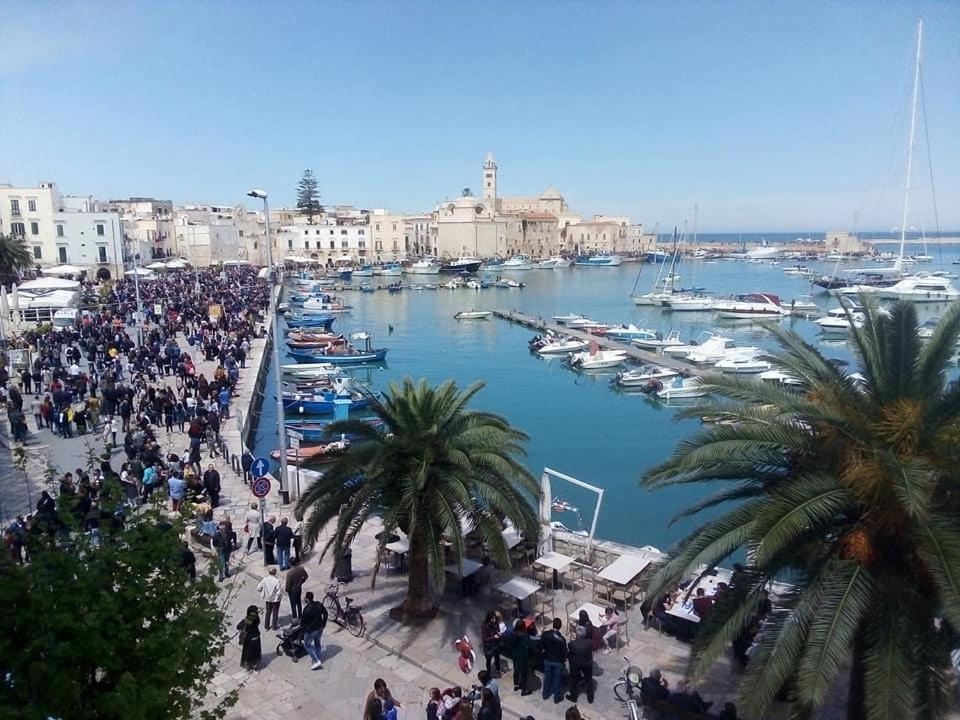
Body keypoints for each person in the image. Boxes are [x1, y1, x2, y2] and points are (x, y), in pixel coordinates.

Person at [540, 617, 568, 704]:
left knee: (547, 678)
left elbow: (541, 646)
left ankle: (545, 694)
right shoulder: (562, 639)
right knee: (557, 680)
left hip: (547, 659)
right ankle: (557, 697)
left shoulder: (546, 635)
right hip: (558, 662)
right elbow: (564, 653)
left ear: (553, 625)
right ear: (560, 626)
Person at [300, 590, 328, 670]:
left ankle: (316, 660)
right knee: (317, 642)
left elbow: (303, 623)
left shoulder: (306, 610)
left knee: (307, 645)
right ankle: (318, 657)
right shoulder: (319, 604)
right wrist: (324, 623)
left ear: (307, 599)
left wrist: (303, 631)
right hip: (320, 627)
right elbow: (325, 613)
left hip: (311, 630)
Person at [567, 624, 594, 704]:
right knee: (589, 680)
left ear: (577, 634)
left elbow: (570, 652)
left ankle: (573, 697)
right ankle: (590, 698)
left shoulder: (572, 644)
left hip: (576, 664)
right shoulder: (589, 642)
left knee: (574, 680)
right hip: (587, 663)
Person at [237, 605, 262, 670]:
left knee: (248, 653)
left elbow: (238, 626)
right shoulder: (257, 619)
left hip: (249, 639)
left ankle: (248, 665)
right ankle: (255, 665)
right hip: (257, 638)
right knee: (255, 653)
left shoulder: (247, 620)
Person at [511, 619, 532, 695]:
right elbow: (530, 645)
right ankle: (524, 690)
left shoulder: (513, 634)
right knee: (524, 674)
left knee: (516, 671)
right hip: (523, 657)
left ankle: (516, 685)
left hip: (515, 656)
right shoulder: (525, 636)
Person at [480, 611, 502, 676]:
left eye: (495, 618)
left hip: (495, 644)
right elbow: (485, 639)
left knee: (497, 658)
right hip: (488, 646)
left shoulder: (496, 623)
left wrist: (498, 633)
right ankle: (488, 672)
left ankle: (498, 670)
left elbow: (498, 630)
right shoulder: (484, 626)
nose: (494, 620)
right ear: (489, 618)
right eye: (492, 619)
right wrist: (494, 637)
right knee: (488, 660)